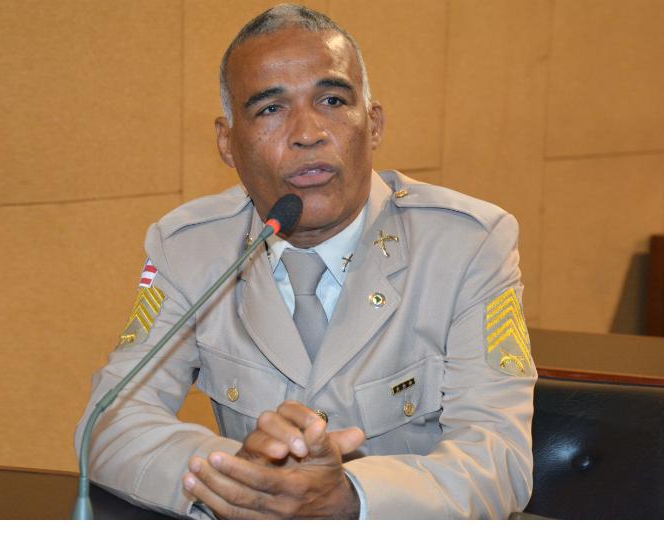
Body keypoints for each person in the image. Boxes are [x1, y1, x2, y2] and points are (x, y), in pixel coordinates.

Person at [76, 3, 536, 519]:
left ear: (373, 124)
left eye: (333, 100)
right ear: (227, 142)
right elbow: (109, 422)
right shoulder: (190, 248)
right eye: (270, 109)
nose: (307, 132)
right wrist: (243, 479)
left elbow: (499, 458)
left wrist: (350, 499)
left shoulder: (467, 244)